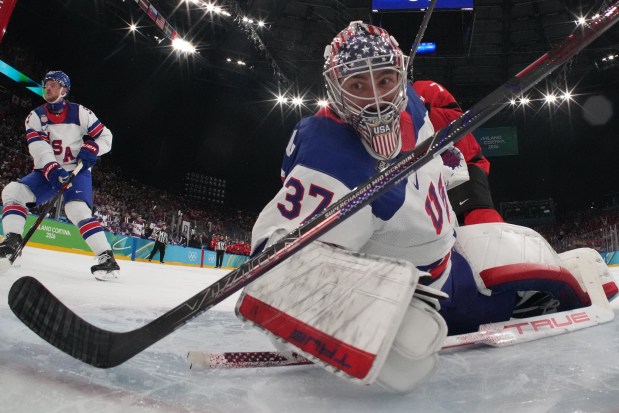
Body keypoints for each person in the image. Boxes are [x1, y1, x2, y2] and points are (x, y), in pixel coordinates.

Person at [233, 21, 618, 393]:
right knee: (544, 281)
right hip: (426, 293)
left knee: (535, 257)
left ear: (400, 76)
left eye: (384, 79)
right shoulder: (329, 157)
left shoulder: (416, 101)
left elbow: (445, 149)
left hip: (451, 256)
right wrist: (363, 318)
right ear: (335, 90)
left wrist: (444, 164)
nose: (377, 98)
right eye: (357, 84)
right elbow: (276, 266)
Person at [0, 70, 120, 281]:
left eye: (53, 84)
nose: (48, 87)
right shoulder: (35, 116)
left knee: (76, 209)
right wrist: (52, 169)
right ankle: (12, 244)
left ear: (64, 90)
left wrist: (94, 148)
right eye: (46, 84)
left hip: (76, 169)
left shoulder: (81, 112)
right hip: (47, 170)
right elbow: (37, 147)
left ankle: (107, 258)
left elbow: (106, 137)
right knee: (13, 192)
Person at [413, 80, 504, 225]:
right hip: (418, 171)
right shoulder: (371, 101)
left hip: (460, 163)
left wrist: (422, 114)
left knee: (482, 221)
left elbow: (457, 119)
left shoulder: (423, 88)